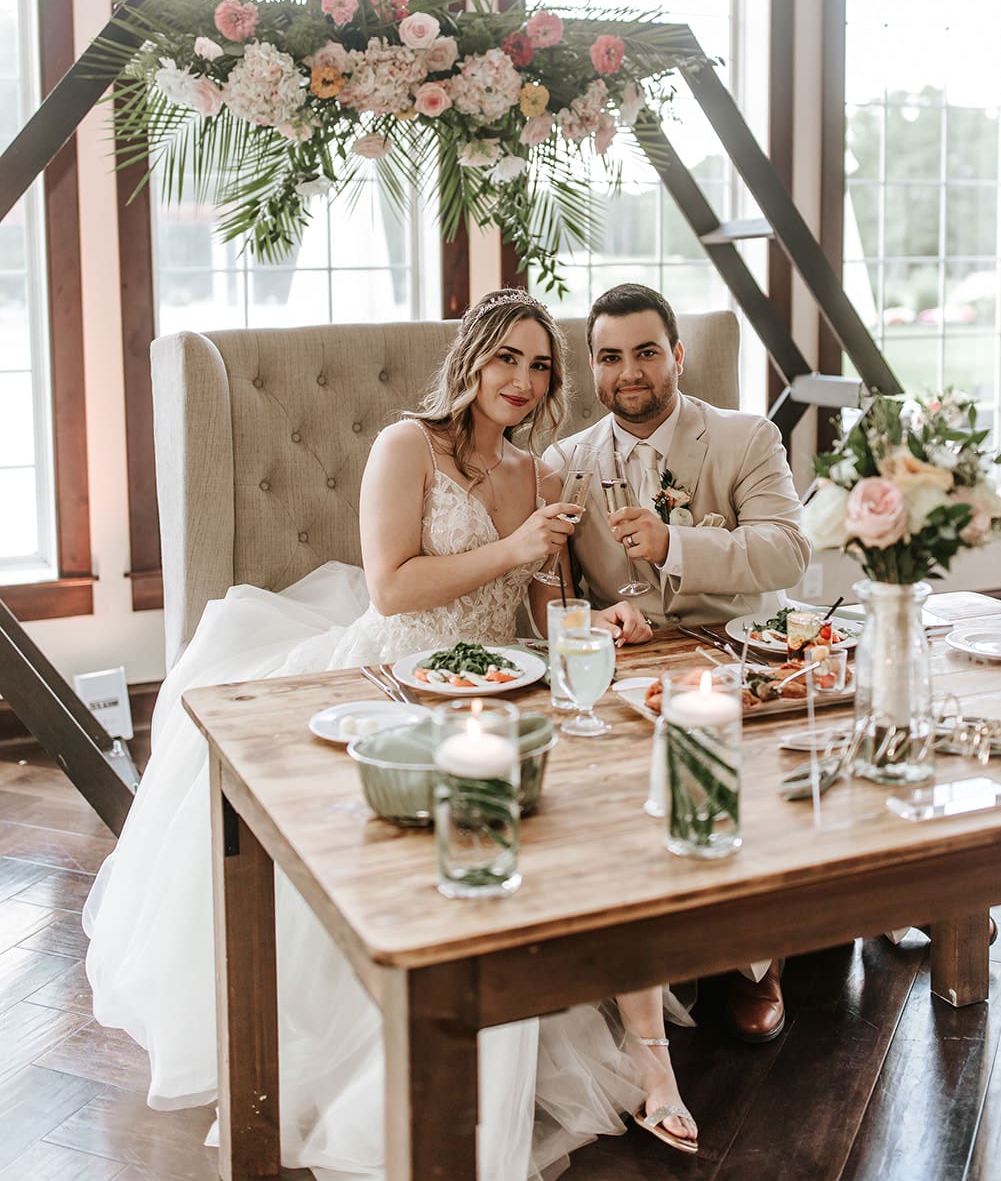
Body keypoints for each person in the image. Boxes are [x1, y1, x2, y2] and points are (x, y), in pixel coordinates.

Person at [82, 288, 697, 1178]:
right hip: (394, 674)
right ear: (472, 359)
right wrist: (516, 548)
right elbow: (391, 588)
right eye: (505, 358)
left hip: (500, 681)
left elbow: (543, 605)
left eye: (539, 366)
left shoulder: (542, 474)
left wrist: (588, 622)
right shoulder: (406, 445)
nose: (520, 381)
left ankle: (644, 1043)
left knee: (589, 816)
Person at [545, 282, 812, 1044]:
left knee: (746, 778)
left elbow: (787, 549)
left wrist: (675, 545)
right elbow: (559, 592)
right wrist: (601, 617)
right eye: (609, 356)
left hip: (737, 655)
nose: (628, 371)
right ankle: (649, 953)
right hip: (627, 669)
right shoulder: (563, 462)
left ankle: (758, 964)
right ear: (591, 368)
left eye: (645, 352)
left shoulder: (743, 437)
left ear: (677, 356)